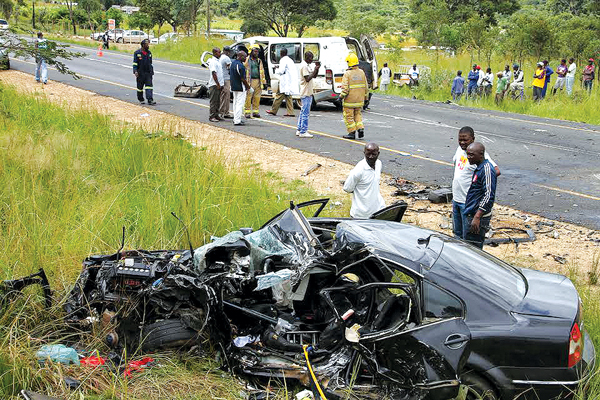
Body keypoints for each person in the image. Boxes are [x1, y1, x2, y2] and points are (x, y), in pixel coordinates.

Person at [452, 127, 500, 240]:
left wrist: (476, 185)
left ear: (473, 139)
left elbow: (494, 172)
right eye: (460, 140)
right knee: (457, 235)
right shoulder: (460, 150)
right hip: (457, 200)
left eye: (466, 140)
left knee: (469, 239)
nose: (462, 143)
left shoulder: (478, 154)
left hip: (468, 204)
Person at [463, 142, 498, 249]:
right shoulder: (479, 167)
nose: (468, 157)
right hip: (471, 215)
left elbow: (488, 195)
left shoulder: (487, 169)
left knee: (474, 250)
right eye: (467, 154)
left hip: (478, 218)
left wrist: (477, 217)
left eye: (471, 155)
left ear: (481, 154)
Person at [343, 143, 386, 219]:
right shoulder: (358, 171)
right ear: (364, 153)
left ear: (378, 154)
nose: (371, 157)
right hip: (361, 215)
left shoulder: (379, 164)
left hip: (377, 211)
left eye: (374, 154)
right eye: (368, 154)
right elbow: (347, 188)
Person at [341, 53, 369, 140]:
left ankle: (352, 132)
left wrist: (341, 97)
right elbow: (366, 87)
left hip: (349, 101)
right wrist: (366, 98)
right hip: (359, 100)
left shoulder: (347, 74)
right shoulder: (362, 72)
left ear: (349, 63)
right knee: (357, 115)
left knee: (349, 116)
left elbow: (345, 88)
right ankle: (360, 128)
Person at [266, 48, 298, 117]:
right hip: (288, 81)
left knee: (279, 95)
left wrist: (276, 69)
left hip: (284, 81)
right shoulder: (290, 60)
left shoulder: (283, 60)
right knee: (288, 96)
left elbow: (281, 71)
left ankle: (273, 111)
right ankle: (290, 112)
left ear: (282, 53)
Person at [296, 51, 320, 138]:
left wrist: (317, 69)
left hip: (307, 92)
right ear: (306, 57)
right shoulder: (304, 66)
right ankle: (303, 131)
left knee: (303, 112)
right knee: (305, 112)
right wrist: (315, 70)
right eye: (310, 58)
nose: (311, 60)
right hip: (305, 92)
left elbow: (314, 76)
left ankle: (299, 129)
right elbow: (307, 78)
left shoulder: (307, 66)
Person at [244, 44, 266, 118]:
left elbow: (262, 71)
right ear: (251, 51)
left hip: (258, 81)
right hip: (250, 81)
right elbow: (244, 67)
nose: (256, 53)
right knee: (248, 97)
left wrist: (264, 82)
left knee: (257, 97)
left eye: (257, 52)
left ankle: (255, 112)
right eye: (255, 51)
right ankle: (247, 112)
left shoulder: (259, 61)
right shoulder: (247, 60)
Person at [230, 50, 250, 126]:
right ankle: (237, 120)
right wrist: (248, 87)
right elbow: (242, 79)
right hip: (240, 87)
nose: (246, 59)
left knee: (235, 103)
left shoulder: (233, 63)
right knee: (240, 104)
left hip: (234, 86)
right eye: (245, 57)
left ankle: (235, 118)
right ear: (240, 56)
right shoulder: (241, 66)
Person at [133, 39, 155, 105]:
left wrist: (151, 71)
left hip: (148, 73)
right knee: (140, 88)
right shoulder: (137, 53)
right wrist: (135, 71)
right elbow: (135, 63)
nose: (148, 45)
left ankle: (150, 99)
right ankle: (141, 99)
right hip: (140, 73)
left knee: (149, 86)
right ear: (143, 45)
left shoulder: (149, 53)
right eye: (147, 44)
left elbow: (150, 63)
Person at [207, 47, 223, 122]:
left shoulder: (218, 61)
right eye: (219, 52)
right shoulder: (213, 61)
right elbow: (214, 73)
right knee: (213, 101)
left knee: (218, 101)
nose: (220, 53)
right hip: (214, 85)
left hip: (219, 84)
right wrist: (218, 84)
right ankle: (212, 116)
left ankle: (216, 115)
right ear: (214, 53)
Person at [219, 46, 233, 119]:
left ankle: (223, 112)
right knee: (226, 97)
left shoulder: (220, 57)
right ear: (227, 52)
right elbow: (229, 68)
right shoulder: (226, 58)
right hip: (226, 79)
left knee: (222, 96)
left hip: (222, 79)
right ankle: (224, 112)